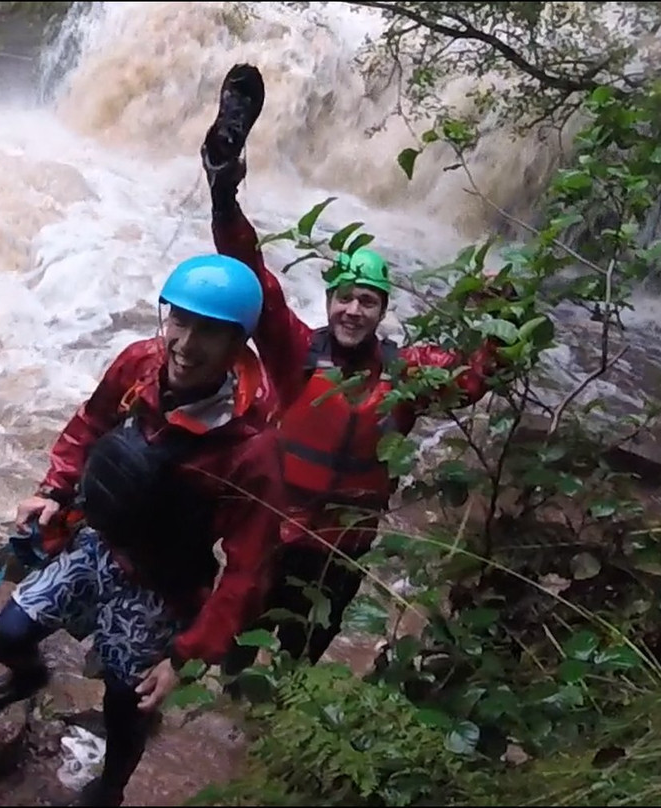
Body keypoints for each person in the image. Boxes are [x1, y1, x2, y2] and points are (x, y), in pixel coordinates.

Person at [201, 64, 510, 682]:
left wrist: (499, 323)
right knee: (231, 649)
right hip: (272, 533)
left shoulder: (407, 372)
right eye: (345, 296)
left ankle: (269, 743)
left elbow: (472, 381)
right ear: (329, 300)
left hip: (339, 552)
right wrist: (224, 198)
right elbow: (252, 273)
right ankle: (217, 713)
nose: (353, 309)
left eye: (367, 300)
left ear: (382, 311)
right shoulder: (293, 350)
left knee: (299, 660)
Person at [0, 253, 285, 806]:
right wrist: (53, 490)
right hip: (98, 542)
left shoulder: (251, 448)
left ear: (238, 343)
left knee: (126, 699)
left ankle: (111, 786)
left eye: (208, 330)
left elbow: (247, 571)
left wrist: (185, 656)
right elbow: (90, 424)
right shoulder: (141, 364)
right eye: (179, 320)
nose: (184, 342)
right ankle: (28, 676)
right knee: (7, 636)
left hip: (164, 582)